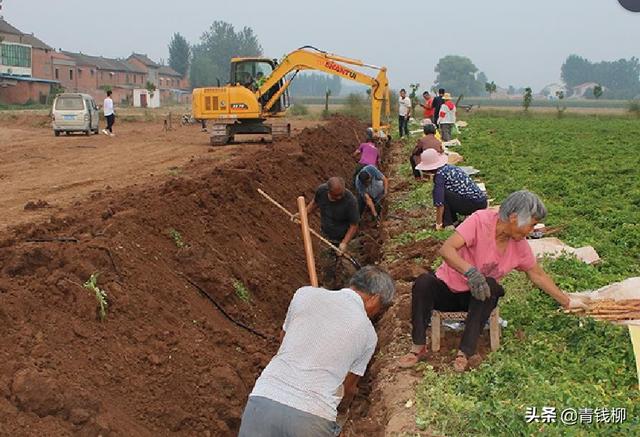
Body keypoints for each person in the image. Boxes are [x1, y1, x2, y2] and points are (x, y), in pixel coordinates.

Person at [398, 191, 587, 371]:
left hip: (478, 299)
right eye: (531, 224)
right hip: (448, 291)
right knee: (423, 283)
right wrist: (471, 272)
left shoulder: (520, 246)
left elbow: (538, 275)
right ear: (514, 218)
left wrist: (568, 302)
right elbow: (447, 249)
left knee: (490, 286)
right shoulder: (480, 221)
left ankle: (465, 353)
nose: (531, 231)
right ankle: (418, 347)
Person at [239, 266, 395, 437]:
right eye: (379, 309)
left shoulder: (304, 294)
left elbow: (283, 341)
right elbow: (347, 387)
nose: (375, 314)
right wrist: (342, 415)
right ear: (374, 299)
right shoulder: (368, 334)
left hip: (263, 400)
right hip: (313, 415)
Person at [305, 177, 360, 289]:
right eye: (337, 195)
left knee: (349, 269)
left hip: (346, 238)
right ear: (328, 191)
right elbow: (314, 204)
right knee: (326, 266)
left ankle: (349, 292)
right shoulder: (321, 191)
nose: (340, 197)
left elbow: (354, 225)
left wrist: (344, 243)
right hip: (327, 236)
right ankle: (328, 289)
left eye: (341, 194)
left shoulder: (350, 201)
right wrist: (302, 214)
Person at [416, 148, 487, 229]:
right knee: (446, 193)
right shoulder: (449, 168)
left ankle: (448, 224)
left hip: (473, 205)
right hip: (480, 202)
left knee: (442, 194)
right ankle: (454, 221)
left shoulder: (440, 176)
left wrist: (438, 223)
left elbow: (439, 203)